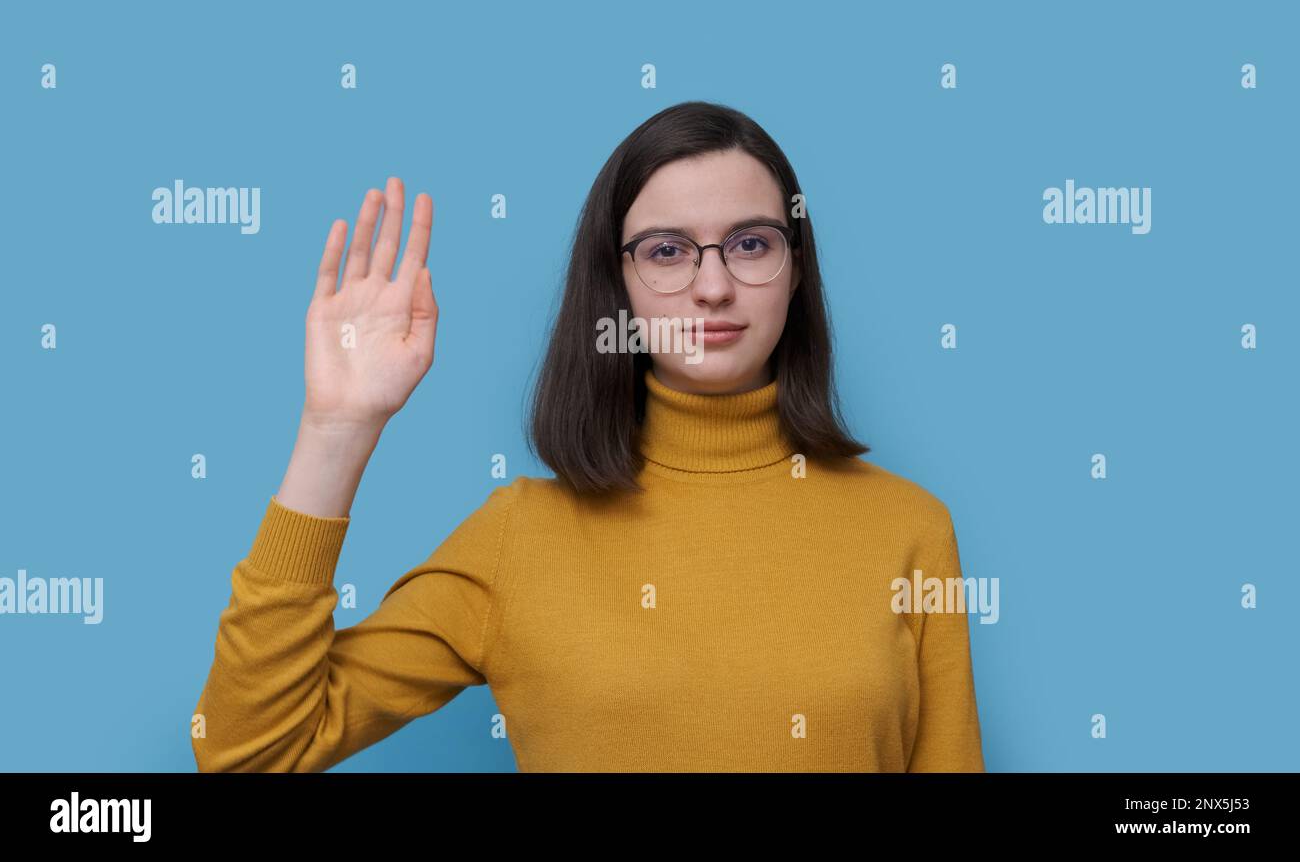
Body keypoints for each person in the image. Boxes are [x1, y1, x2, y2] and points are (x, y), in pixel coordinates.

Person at [191, 101, 986, 772]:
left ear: (797, 266)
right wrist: (337, 429)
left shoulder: (908, 530)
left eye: (751, 243)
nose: (714, 286)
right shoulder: (520, 538)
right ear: (617, 282)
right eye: (667, 251)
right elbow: (246, 749)